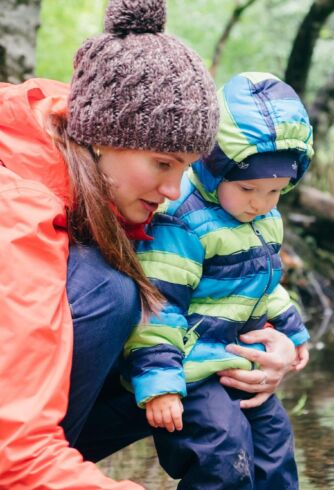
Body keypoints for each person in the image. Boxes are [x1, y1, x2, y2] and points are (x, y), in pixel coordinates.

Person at [0, 0, 220, 488]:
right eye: (163, 164)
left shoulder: (93, 162)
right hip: (13, 448)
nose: (171, 191)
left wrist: (267, 350)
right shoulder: (17, 211)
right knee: (110, 292)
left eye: (185, 169)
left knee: (190, 342)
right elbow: (13, 450)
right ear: (102, 137)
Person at [123, 72, 314, 489]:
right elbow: (158, 302)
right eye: (248, 188)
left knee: (274, 445)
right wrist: (159, 381)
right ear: (215, 169)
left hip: (236, 357)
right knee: (222, 453)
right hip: (192, 368)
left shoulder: (263, 218)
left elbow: (263, 283)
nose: (260, 204)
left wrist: (292, 330)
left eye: (276, 191)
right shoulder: (184, 223)